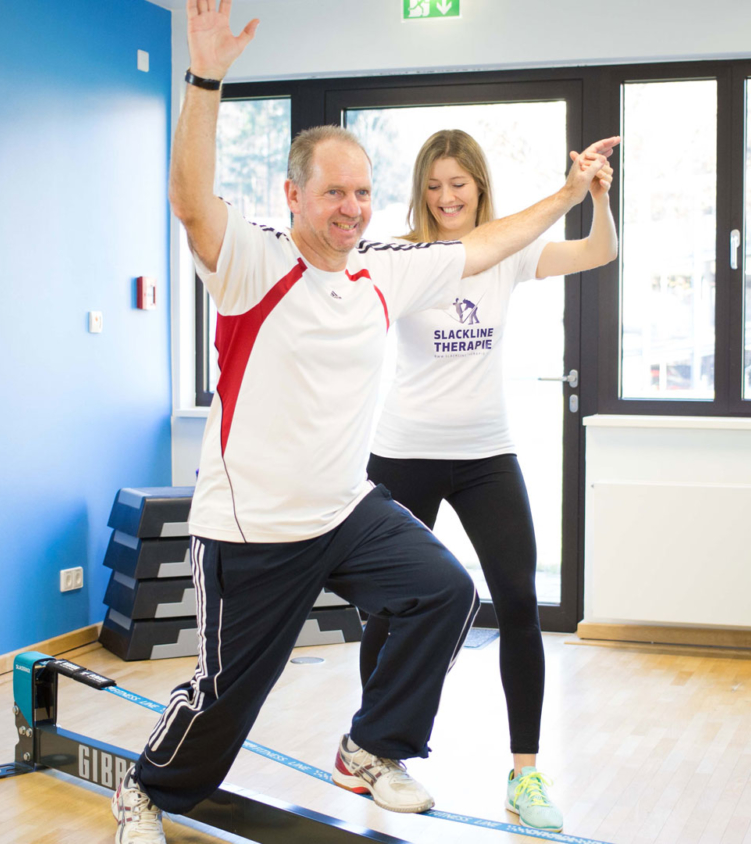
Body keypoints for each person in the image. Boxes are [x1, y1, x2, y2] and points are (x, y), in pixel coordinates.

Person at [110, 3, 618, 842]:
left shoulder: (387, 272)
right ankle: (146, 791)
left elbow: (491, 246)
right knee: (226, 694)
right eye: (334, 192)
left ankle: (372, 745)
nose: (350, 208)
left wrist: (570, 193)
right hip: (253, 530)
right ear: (294, 195)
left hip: (345, 510)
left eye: (362, 192)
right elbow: (190, 199)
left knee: (445, 590)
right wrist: (204, 78)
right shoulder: (252, 261)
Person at [361, 129, 617, 833]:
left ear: (478, 186)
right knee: (390, 609)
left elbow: (600, 252)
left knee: (518, 604)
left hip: (485, 454)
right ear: (422, 191)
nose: (447, 197)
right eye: (435, 185)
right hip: (404, 451)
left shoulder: (509, 252)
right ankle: (376, 754)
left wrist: (594, 198)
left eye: (459, 184)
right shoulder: (404, 257)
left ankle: (525, 775)